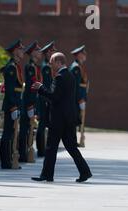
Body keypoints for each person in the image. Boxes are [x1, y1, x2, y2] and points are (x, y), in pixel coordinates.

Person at [31, 52, 92, 183]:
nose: (50, 64)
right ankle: (85, 171)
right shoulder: (70, 75)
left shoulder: (59, 77)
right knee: (70, 146)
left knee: (51, 147)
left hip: (59, 119)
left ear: (59, 62)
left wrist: (41, 88)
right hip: (69, 118)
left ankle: (46, 175)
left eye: (52, 62)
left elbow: (54, 97)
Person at [0, 39, 24, 169]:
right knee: (8, 133)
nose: (22, 52)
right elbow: (9, 89)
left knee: (12, 132)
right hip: (11, 104)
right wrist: (14, 106)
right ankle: (6, 161)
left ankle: (9, 159)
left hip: (15, 102)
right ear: (15, 51)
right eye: (20, 49)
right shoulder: (11, 67)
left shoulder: (15, 66)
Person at [19, 40, 42, 163]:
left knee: (29, 128)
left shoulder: (36, 67)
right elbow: (31, 87)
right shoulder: (30, 67)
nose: (40, 52)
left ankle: (27, 152)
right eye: (38, 50)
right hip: (29, 102)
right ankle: (23, 154)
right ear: (33, 53)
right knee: (25, 129)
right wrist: (30, 106)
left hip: (33, 101)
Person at [37, 41, 57, 157]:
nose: (54, 53)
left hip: (47, 98)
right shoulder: (46, 68)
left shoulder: (49, 66)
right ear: (49, 53)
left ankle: (43, 148)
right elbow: (47, 85)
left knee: (46, 124)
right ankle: (41, 150)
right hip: (45, 99)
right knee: (42, 124)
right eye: (53, 51)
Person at [70, 45, 89, 145]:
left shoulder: (80, 67)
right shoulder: (76, 68)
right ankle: (72, 141)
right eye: (83, 53)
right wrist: (80, 99)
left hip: (80, 97)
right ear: (78, 55)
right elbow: (76, 86)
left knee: (77, 119)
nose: (85, 54)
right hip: (76, 99)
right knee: (74, 120)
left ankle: (74, 140)